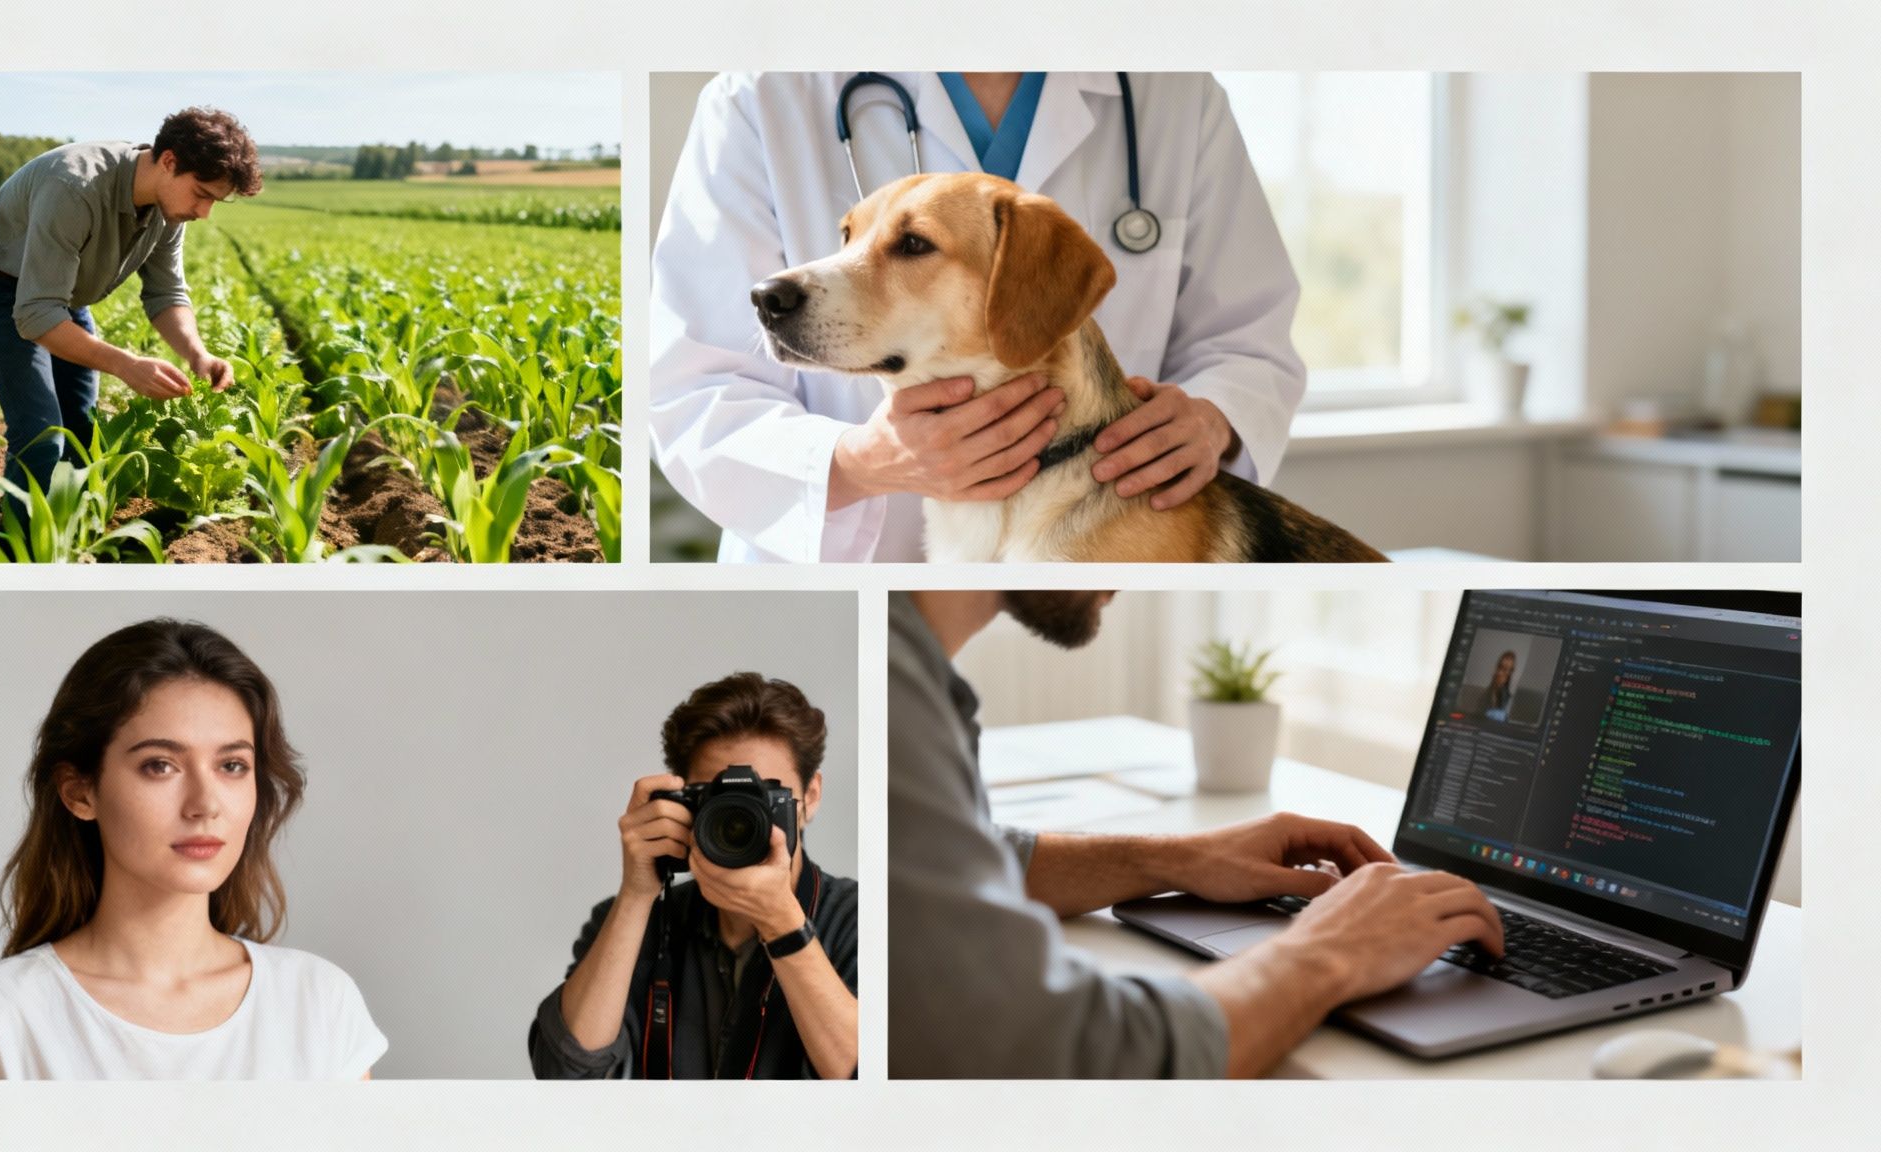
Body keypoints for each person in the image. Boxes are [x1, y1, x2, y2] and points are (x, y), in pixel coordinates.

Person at [650, 72, 1306, 562]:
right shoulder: (761, 93)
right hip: (855, 579)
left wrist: (1215, 416)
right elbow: (693, 390)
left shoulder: (1173, 93)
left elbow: (1247, 339)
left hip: (1108, 541)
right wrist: (859, 463)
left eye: (909, 246)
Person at [889, 590, 1506, 1077]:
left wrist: (1179, 858)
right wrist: (1330, 952)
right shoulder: (893, 686)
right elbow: (1065, 1062)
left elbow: (943, 860)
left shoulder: (901, 656)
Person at [0, 620, 385, 1080]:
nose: (205, 805)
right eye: (160, 765)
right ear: (80, 792)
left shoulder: (320, 1004)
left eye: (233, 765)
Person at [530, 673, 858, 1078]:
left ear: (810, 796)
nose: (741, 818)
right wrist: (636, 894)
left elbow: (874, 1082)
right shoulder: (637, 923)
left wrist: (781, 923)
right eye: (717, 798)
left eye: (765, 794)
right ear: (683, 801)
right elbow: (562, 1075)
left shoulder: (866, 921)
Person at [0, 106, 260, 510]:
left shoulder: (169, 206)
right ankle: (21, 545)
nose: (203, 212)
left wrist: (197, 354)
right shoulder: (75, 186)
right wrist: (126, 364)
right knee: (41, 432)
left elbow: (166, 292)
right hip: (5, 286)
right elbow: (36, 312)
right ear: (169, 161)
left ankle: (66, 526)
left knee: (83, 424)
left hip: (61, 299)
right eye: (202, 195)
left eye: (214, 202)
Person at [1484, 650, 1517, 722]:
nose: (1506, 673)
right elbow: (1493, 701)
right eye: (1503, 668)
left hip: (1502, 715)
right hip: (1495, 713)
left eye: (1509, 669)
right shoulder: (1497, 677)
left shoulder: (1512, 681)